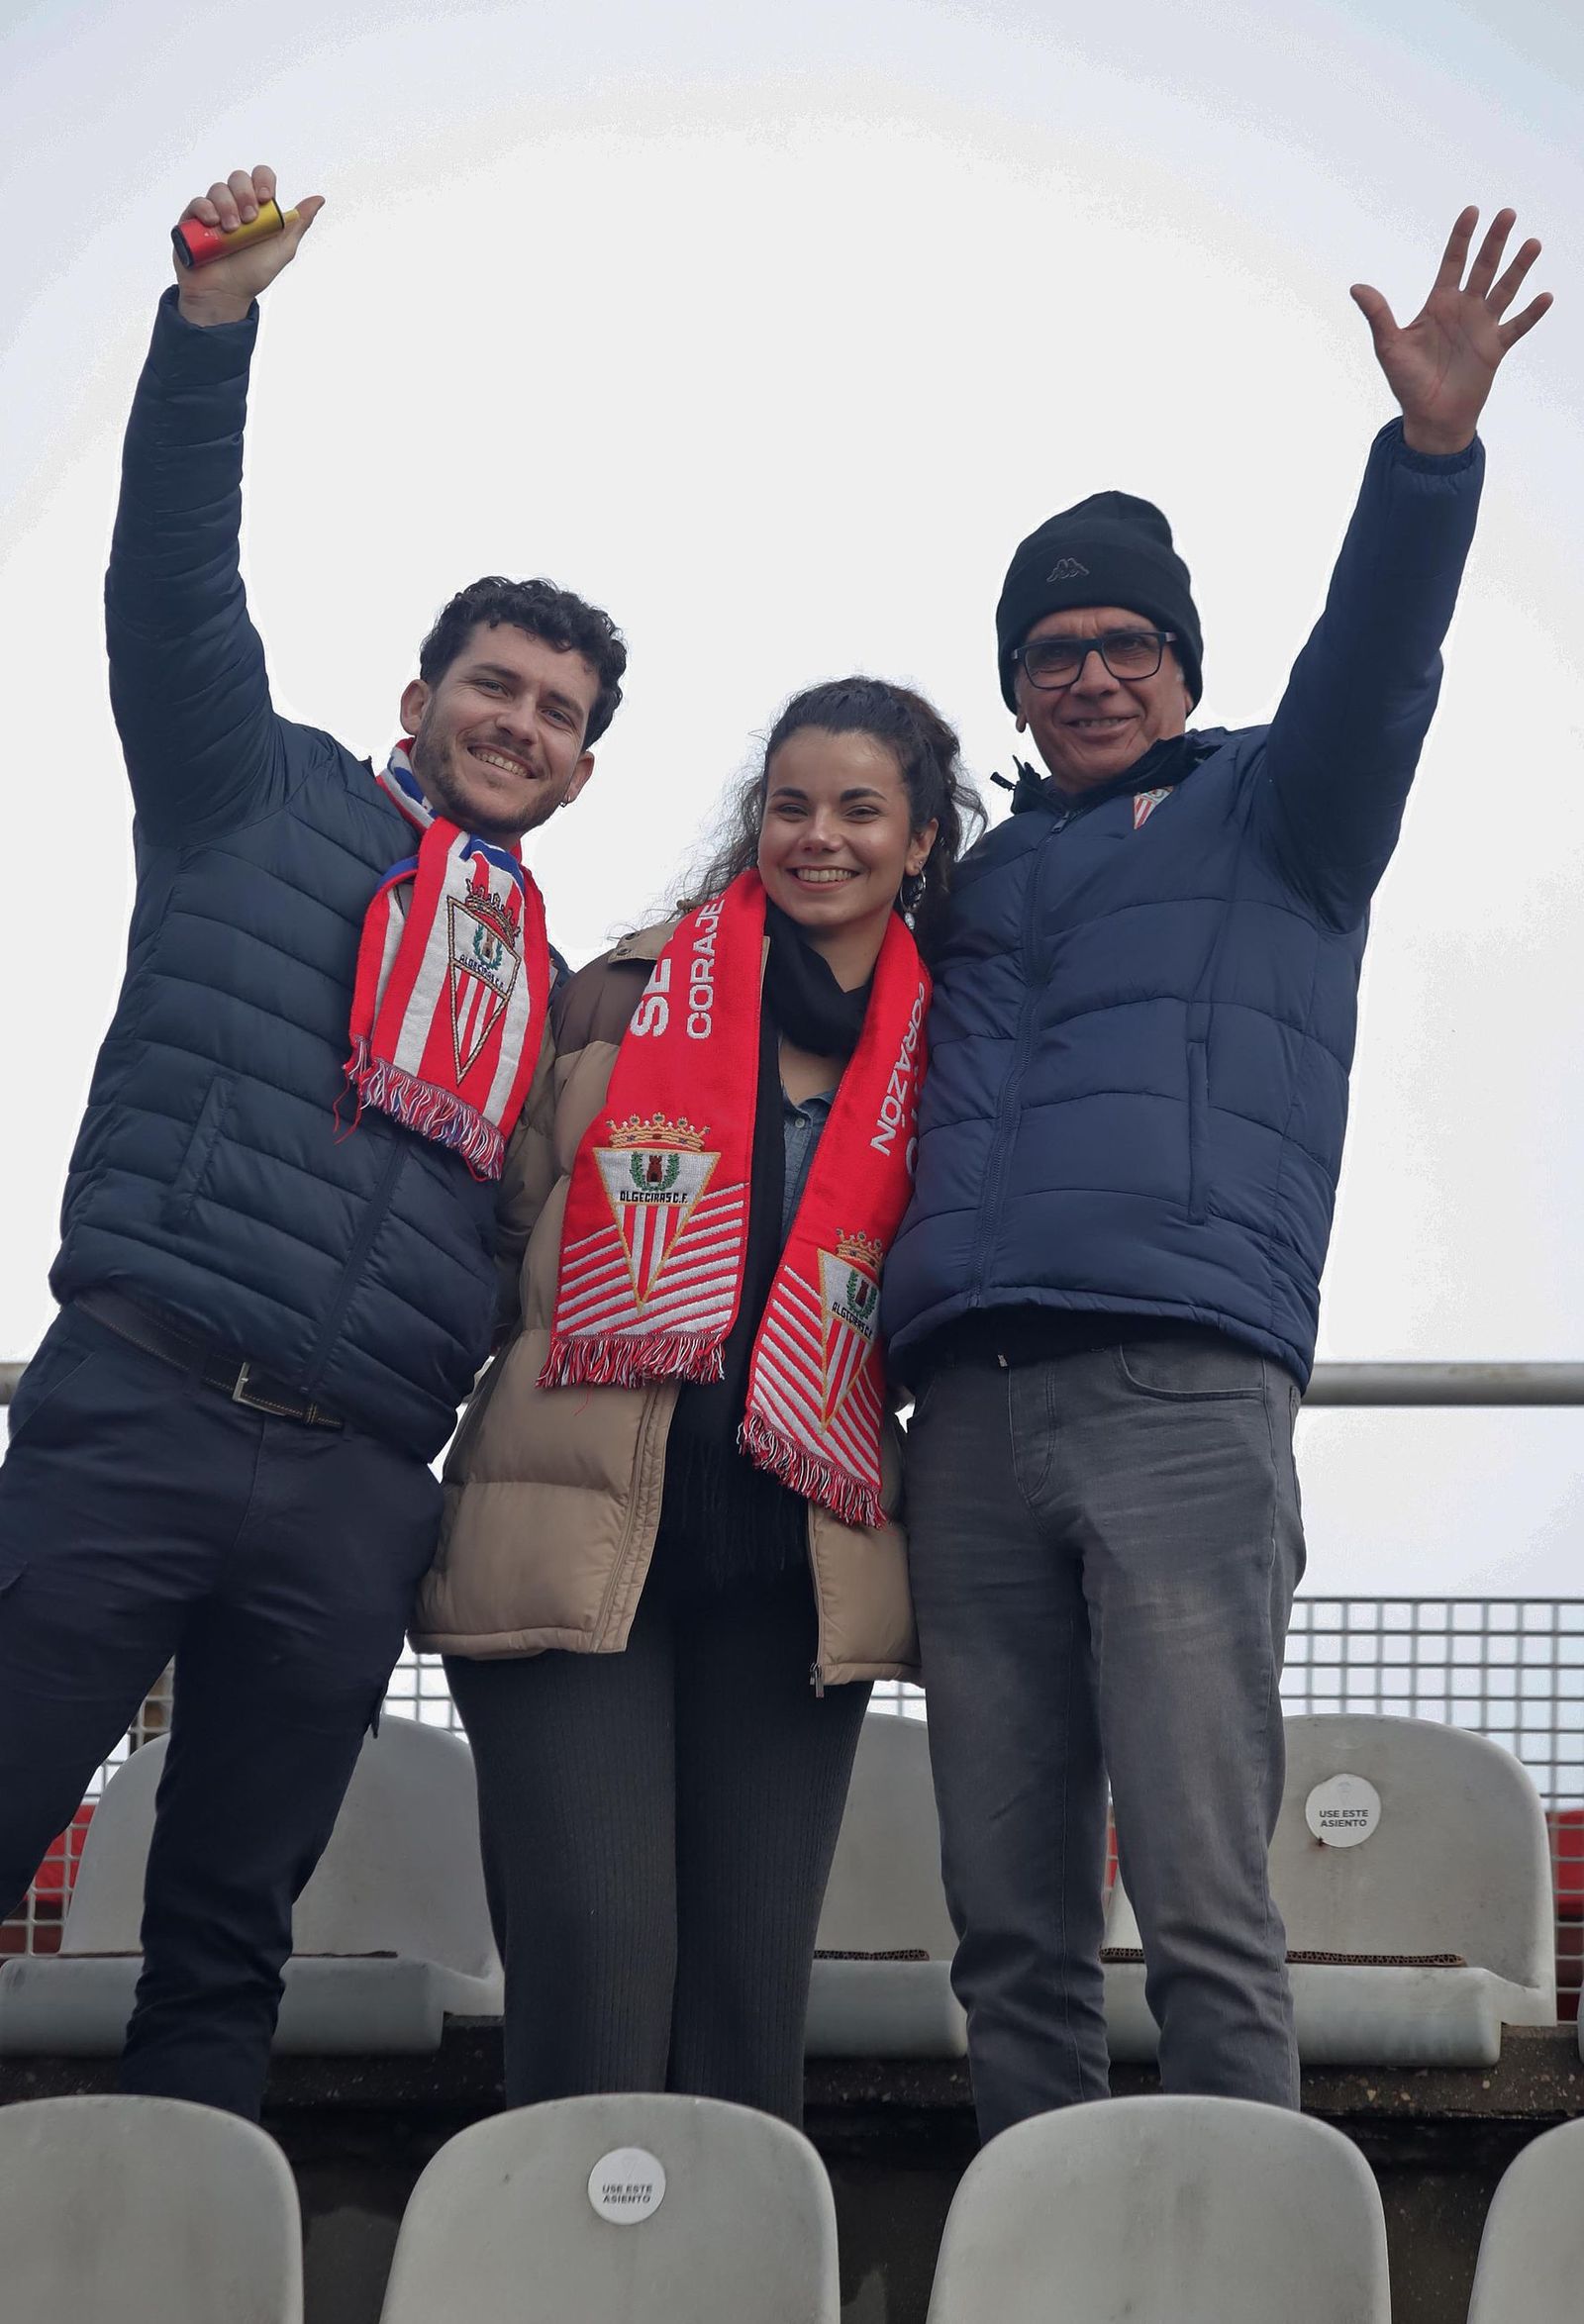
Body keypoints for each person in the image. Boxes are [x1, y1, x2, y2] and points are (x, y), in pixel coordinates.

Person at [882, 207, 1553, 2141]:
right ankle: (1032, 2225)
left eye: (1121, 643)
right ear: (1008, 688)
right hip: (963, 1411)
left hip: (1178, 1391)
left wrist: (1422, 457)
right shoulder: (970, 874)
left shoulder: (1280, 807)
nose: (1084, 673)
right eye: (1045, 650)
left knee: (1197, 1896)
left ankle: (1234, 2239)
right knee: (1003, 1919)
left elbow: (1377, 654)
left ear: (1178, 661)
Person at [0, 164, 626, 2118]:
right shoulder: (243, 793)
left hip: (356, 1484)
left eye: (556, 711)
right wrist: (211, 334)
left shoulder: (549, 984)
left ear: (583, 763)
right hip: (140, 1406)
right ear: (419, 695)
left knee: (222, 1944)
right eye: (491, 685)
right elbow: (167, 584)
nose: (516, 721)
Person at [415, 679, 980, 2121]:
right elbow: (493, 1243)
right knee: (598, 1976)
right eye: (790, 804)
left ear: (920, 840)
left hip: (800, 1566)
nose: (819, 837)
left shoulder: (963, 1046)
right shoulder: (616, 993)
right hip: (571, 1535)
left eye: (861, 808)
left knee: (746, 2011)